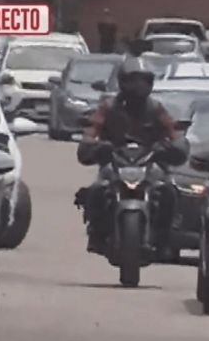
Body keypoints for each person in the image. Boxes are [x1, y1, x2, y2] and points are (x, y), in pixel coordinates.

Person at [76, 54, 187, 256]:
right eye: (134, 80)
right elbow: (93, 128)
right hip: (115, 161)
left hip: (150, 162)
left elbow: (173, 131)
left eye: (144, 80)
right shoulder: (108, 107)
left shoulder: (156, 108)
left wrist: (176, 145)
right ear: (122, 81)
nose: (139, 86)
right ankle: (96, 233)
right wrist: (93, 143)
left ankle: (165, 236)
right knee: (96, 189)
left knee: (169, 191)